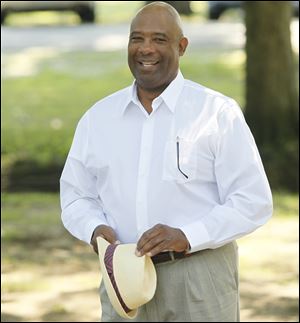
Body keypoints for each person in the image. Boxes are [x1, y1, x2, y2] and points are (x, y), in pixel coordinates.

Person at [60, 2, 273, 322]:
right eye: (137, 39)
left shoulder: (216, 113)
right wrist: (93, 228)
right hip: (124, 277)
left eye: (159, 39)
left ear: (181, 46)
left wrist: (188, 236)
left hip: (199, 278)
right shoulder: (98, 119)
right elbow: (76, 195)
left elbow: (252, 201)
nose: (146, 49)